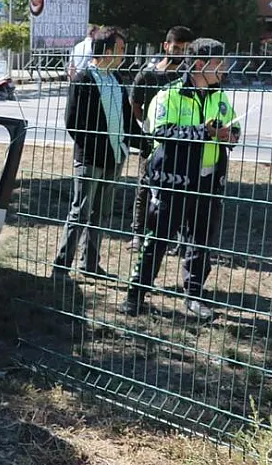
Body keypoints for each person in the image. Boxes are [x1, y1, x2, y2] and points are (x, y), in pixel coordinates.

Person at [121, 38, 239, 319]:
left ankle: (194, 295)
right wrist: (204, 132)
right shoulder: (169, 95)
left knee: (201, 241)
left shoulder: (218, 95)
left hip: (208, 181)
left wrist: (231, 134)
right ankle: (136, 293)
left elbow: (232, 124)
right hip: (172, 179)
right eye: (218, 63)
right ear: (200, 64)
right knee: (158, 239)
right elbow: (161, 132)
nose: (223, 68)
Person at [52, 28, 145, 280]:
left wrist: (145, 143)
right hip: (91, 160)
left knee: (100, 213)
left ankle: (90, 264)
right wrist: (95, 149)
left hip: (115, 158)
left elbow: (127, 122)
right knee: (80, 211)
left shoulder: (115, 80)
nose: (124, 54)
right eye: (121, 49)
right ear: (106, 51)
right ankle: (61, 266)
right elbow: (73, 122)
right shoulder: (84, 79)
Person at [127, 26, 196, 251]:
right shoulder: (147, 74)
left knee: (179, 188)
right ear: (166, 46)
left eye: (184, 49)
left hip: (181, 141)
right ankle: (138, 233)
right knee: (145, 186)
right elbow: (135, 105)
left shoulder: (190, 76)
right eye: (176, 47)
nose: (179, 53)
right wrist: (147, 125)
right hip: (152, 142)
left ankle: (174, 236)